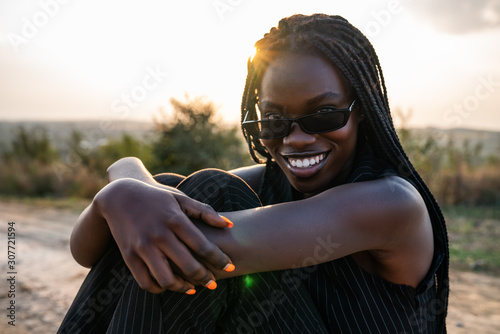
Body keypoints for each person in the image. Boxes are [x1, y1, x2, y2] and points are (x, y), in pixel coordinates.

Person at [59, 14, 449, 333]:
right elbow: (87, 249)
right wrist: (128, 182)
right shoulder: (272, 182)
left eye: (323, 114)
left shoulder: (392, 203)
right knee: (173, 193)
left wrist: (122, 194)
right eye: (275, 120)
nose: (296, 139)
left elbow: (176, 244)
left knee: (199, 199)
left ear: (360, 110)